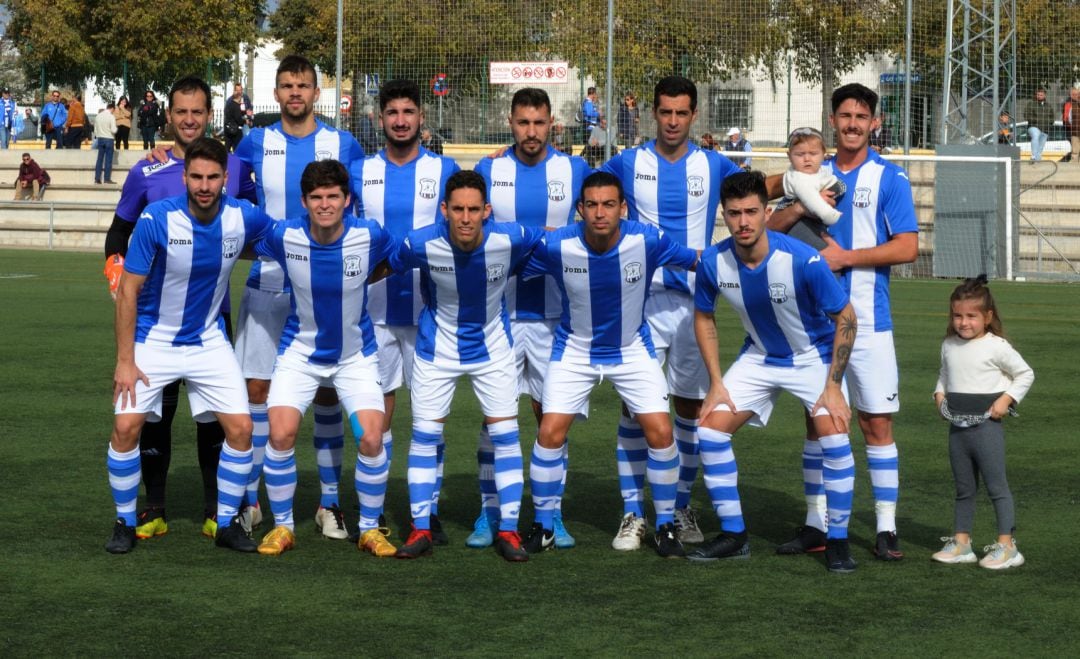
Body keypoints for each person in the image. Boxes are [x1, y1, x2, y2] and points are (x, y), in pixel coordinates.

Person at [104, 76, 258, 541]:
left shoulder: (237, 169)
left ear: (209, 115)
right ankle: (147, 510)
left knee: (218, 421)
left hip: (212, 318)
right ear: (168, 116)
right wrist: (118, 280)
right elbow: (118, 235)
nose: (189, 119)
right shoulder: (145, 173)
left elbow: (253, 230)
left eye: (198, 112)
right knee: (150, 420)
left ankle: (220, 512)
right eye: (181, 112)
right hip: (154, 322)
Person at [768, 82, 918, 561]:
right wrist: (795, 199)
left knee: (876, 424)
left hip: (870, 322)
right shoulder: (810, 172)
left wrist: (846, 258)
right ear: (832, 120)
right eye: (845, 115)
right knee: (819, 424)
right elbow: (765, 228)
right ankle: (816, 524)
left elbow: (908, 246)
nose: (853, 124)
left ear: (874, 123)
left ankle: (886, 528)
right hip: (816, 323)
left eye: (861, 116)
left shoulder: (889, 178)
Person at [600, 76, 746, 549]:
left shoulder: (714, 164)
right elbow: (592, 198)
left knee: (688, 406)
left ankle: (680, 505)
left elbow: (754, 195)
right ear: (652, 113)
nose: (673, 121)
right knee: (634, 405)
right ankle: (631, 513)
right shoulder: (627, 163)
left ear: (694, 114)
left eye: (682, 113)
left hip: (692, 306)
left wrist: (803, 178)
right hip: (637, 300)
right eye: (665, 112)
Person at [520, 171, 697, 558]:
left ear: (623, 207)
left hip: (632, 348)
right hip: (574, 351)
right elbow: (505, 256)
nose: (600, 213)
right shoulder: (556, 245)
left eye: (609, 204)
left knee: (661, 432)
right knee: (549, 433)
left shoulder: (647, 239)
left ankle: (664, 526)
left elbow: (699, 261)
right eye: (592, 205)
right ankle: (544, 526)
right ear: (579, 209)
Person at [691, 171, 859, 570]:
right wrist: (715, 382)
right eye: (734, 214)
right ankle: (734, 534)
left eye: (751, 212)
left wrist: (833, 386)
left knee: (833, 437)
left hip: (813, 357)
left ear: (767, 212)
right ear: (724, 215)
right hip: (760, 357)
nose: (743, 222)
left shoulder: (803, 260)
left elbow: (846, 317)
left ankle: (836, 539)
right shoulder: (714, 262)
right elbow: (703, 316)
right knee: (709, 431)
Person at [233, 54, 367, 540]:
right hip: (268, 284)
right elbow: (235, 212)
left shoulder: (342, 142)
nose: (295, 93)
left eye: (303, 85)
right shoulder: (254, 142)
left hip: (327, 288)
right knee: (257, 393)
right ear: (276, 90)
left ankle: (329, 503)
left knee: (329, 391)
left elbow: (358, 214)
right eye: (287, 85)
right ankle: (252, 502)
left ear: (316, 92)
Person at [390, 170, 542, 563]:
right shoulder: (419, 243)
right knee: (424, 437)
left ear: (487, 211)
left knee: (506, 436)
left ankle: (507, 530)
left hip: (493, 350)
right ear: (444, 210)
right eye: (457, 209)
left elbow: (555, 242)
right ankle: (421, 528)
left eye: (474, 209)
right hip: (435, 350)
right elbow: (386, 263)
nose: (466, 218)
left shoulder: (513, 239)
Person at [251, 159, 398, 558]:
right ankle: (283, 526)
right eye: (317, 197)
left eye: (333, 196)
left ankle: (369, 528)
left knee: (371, 437)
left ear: (347, 200)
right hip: (300, 353)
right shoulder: (285, 236)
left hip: (356, 356)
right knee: (280, 434)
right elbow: (238, 239)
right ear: (304, 201)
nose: (325, 204)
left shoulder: (370, 236)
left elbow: (395, 257)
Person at [471, 87, 592, 550]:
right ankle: (490, 513)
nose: (531, 132)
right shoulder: (489, 168)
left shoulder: (574, 170)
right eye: (523, 123)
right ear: (511, 122)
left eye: (539, 123)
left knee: (549, 417)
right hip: (499, 314)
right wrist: (531, 235)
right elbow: (477, 228)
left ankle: (550, 514)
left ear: (552, 123)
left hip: (554, 318)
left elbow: (590, 226)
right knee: (494, 418)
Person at [351, 78, 460, 544]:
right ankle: (374, 510)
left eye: (408, 112)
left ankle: (428, 508)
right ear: (380, 119)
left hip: (431, 311)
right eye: (392, 112)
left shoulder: (446, 169)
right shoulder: (357, 171)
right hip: (372, 312)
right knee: (379, 417)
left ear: (421, 118)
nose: (400, 120)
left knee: (429, 418)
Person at [933, 277, 1034, 569]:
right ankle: (962, 543)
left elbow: (1025, 374)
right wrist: (939, 395)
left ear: (987, 317)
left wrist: (1007, 400)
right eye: (957, 315)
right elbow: (944, 374)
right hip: (957, 430)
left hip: (986, 428)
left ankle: (1007, 546)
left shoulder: (996, 346)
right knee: (964, 488)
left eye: (971, 316)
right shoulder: (949, 344)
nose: (963, 322)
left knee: (996, 487)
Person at [775, 127, 845, 250]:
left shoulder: (819, 170)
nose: (807, 159)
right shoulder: (799, 178)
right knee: (820, 251)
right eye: (800, 154)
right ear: (789, 156)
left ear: (823, 154)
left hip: (810, 218)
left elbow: (825, 179)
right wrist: (830, 215)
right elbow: (812, 200)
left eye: (813, 153)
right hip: (797, 223)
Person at [1024, 88, 1054, 163]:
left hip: (1045, 128)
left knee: (1041, 145)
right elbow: (1026, 115)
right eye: (1038, 94)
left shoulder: (1049, 105)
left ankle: (1037, 159)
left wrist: (1049, 122)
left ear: (1044, 95)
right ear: (1035, 95)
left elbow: (1052, 116)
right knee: (1035, 136)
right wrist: (1036, 120)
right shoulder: (1031, 104)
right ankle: (1033, 156)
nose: (1039, 96)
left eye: (1041, 95)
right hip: (1034, 126)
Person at [93, 102, 118, 185]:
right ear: (112, 109)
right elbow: (113, 130)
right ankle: (107, 179)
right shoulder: (111, 117)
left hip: (100, 139)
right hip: (109, 139)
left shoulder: (98, 116)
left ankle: (97, 179)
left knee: (99, 159)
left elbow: (95, 130)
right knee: (108, 160)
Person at [224, 83, 252, 152]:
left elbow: (250, 109)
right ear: (234, 91)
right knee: (234, 146)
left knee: (246, 140)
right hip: (235, 125)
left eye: (240, 90)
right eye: (237, 90)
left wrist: (249, 116)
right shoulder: (230, 100)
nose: (239, 92)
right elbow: (227, 112)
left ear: (242, 90)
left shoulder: (246, 98)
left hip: (243, 122)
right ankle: (232, 160)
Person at [1063, 86, 1080, 163]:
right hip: (1074, 129)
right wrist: (1072, 125)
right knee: (1075, 148)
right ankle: (1074, 162)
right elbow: (1068, 118)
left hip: (1074, 128)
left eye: (1076, 94)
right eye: (1073, 94)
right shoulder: (1069, 105)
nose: (1075, 96)